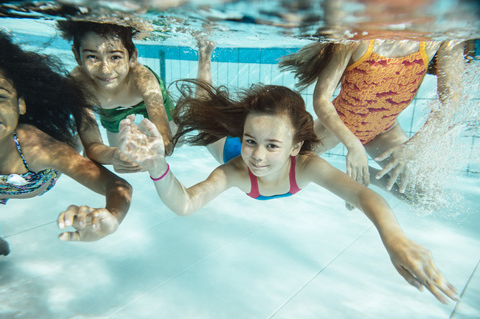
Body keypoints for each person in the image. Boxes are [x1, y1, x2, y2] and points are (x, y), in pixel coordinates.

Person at [117, 40, 457, 303]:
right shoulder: (237, 167)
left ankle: (213, 70)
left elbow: (364, 195)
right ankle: (205, 57)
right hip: (226, 146)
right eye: (252, 140)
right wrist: (158, 167)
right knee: (206, 113)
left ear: (295, 147)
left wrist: (394, 238)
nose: (258, 158)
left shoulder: (307, 166)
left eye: (272, 146)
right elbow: (186, 204)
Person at [278, 39, 466, 198]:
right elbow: (321, 99)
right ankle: (338, 180)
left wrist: (412, 148)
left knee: (419, 196)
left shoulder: (444, 39)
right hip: (338, 124)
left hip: (384, 130)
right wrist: (353, 145)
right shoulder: (357, 37)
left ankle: (363, 175)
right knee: (284, 169)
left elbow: (451, 103)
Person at [0, 32, 132, 254]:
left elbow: (118, 186)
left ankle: (81, 96)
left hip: (49, 162)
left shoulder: (36, 147)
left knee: (78, 116)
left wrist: (112, 217)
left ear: (20, 105)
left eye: (0, 97)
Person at [57, 19, 176, 173]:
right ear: (77, 56)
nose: (105, 70)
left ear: (132, 57)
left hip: (144, 99)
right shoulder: (77, 85)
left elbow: (166, 143)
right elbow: (92, 147)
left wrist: (151, 152)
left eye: (115, 57)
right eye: (92, 57)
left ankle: (140, 129)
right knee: (116, 147)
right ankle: (135, 130)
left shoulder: (144, 81)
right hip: (109, 110)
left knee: (176, 141)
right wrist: (114, 155)